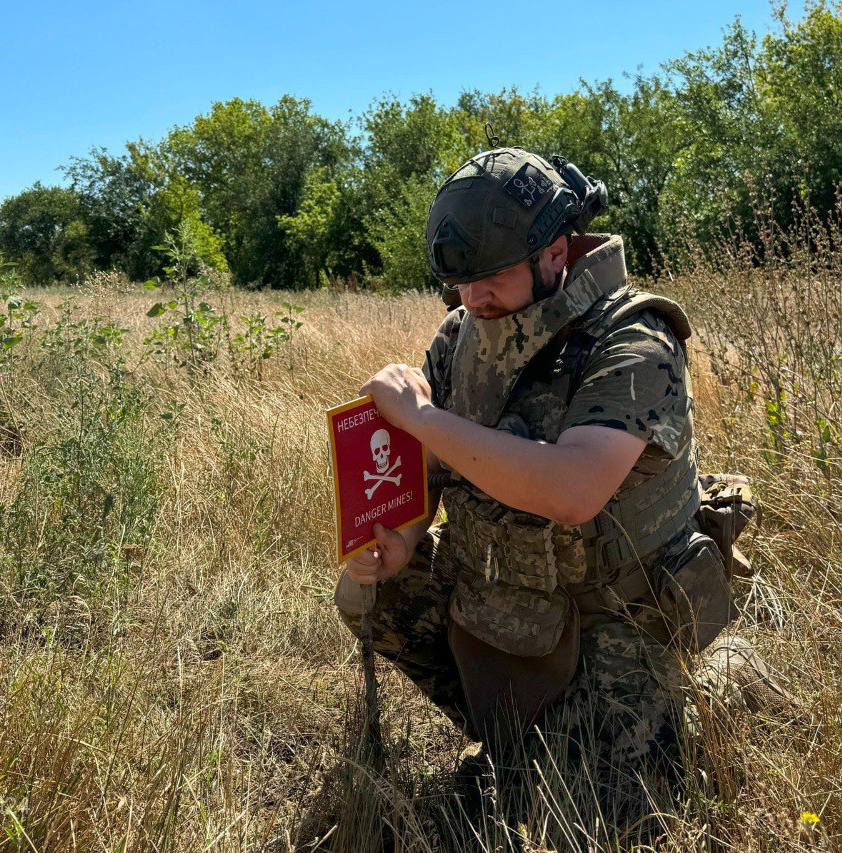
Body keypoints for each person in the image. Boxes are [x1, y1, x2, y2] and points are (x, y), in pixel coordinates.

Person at [332, 147, 780, 833]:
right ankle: (514, 736)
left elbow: (573, 488)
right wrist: (401, 540)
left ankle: (712, 687)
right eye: (460, 283)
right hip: (505, 603)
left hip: (614, 616)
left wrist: (422, 416)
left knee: (595, 821)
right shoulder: (462, 334)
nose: (473, 299)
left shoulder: (635, 336)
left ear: (556, 251)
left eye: (491, 278)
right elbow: (426, 466)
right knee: (369, 592)